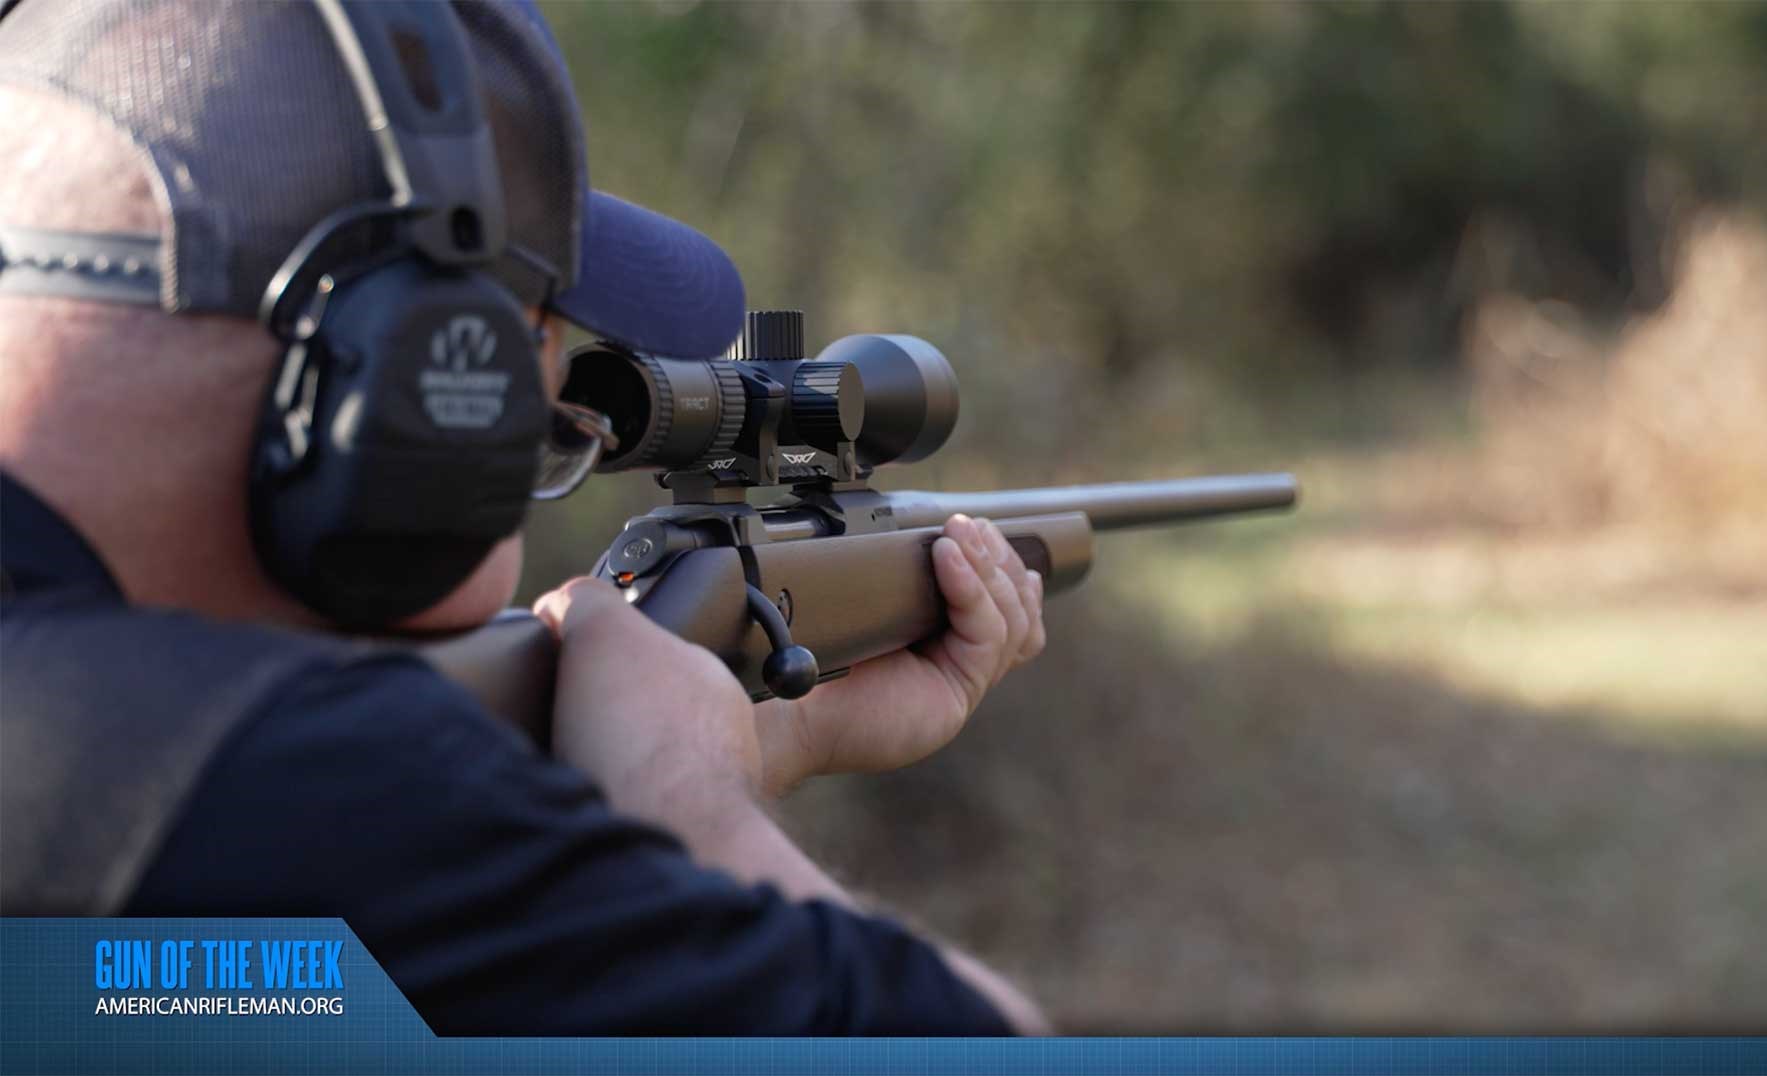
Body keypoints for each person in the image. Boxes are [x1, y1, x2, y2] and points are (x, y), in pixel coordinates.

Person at [0, 0, 1047, 1035]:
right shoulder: (274, 776)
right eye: (541, 333)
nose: (549, 400)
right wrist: (691, 801)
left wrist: (772, 728)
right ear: (430, 369)